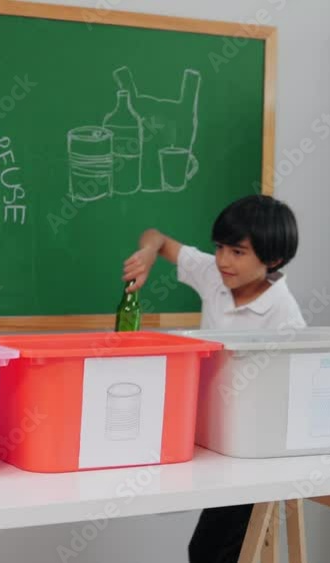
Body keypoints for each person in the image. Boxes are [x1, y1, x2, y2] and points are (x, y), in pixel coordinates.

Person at [122, 194, 304, 563]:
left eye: (238, 252)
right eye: (220, 248)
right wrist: (147, 253)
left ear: (273, 259)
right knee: (207, 547)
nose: (223, 260)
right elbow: (156, 235)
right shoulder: (213, 276)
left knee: (216, 550)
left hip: (254, 450)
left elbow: (292, 391)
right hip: (214, 438)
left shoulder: (285, 315)